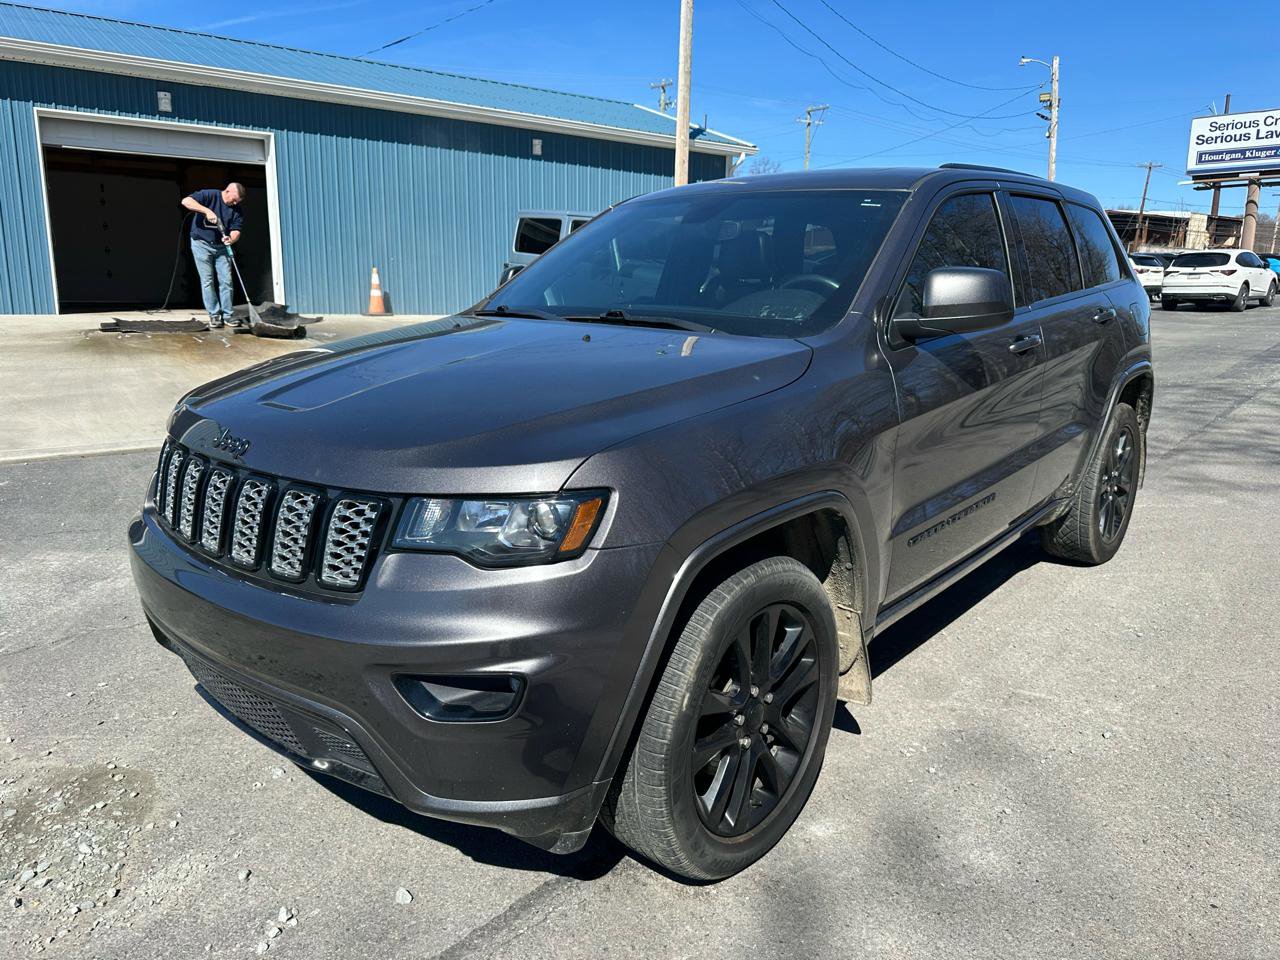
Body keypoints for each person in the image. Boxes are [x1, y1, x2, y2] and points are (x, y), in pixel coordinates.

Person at [181, 183, 245, 329]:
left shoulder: (237, 209)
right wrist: (207, 211)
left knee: (227, 281)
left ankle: (228, 315)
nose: (234, 203)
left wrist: (231, 239)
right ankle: (215, 314)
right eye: (233, 200)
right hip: (201, 244)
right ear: (227, 191)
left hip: (222, 247)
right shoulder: (210, 195)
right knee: (207, 280)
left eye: (237, 202)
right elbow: (186, 201)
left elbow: (236, 229)